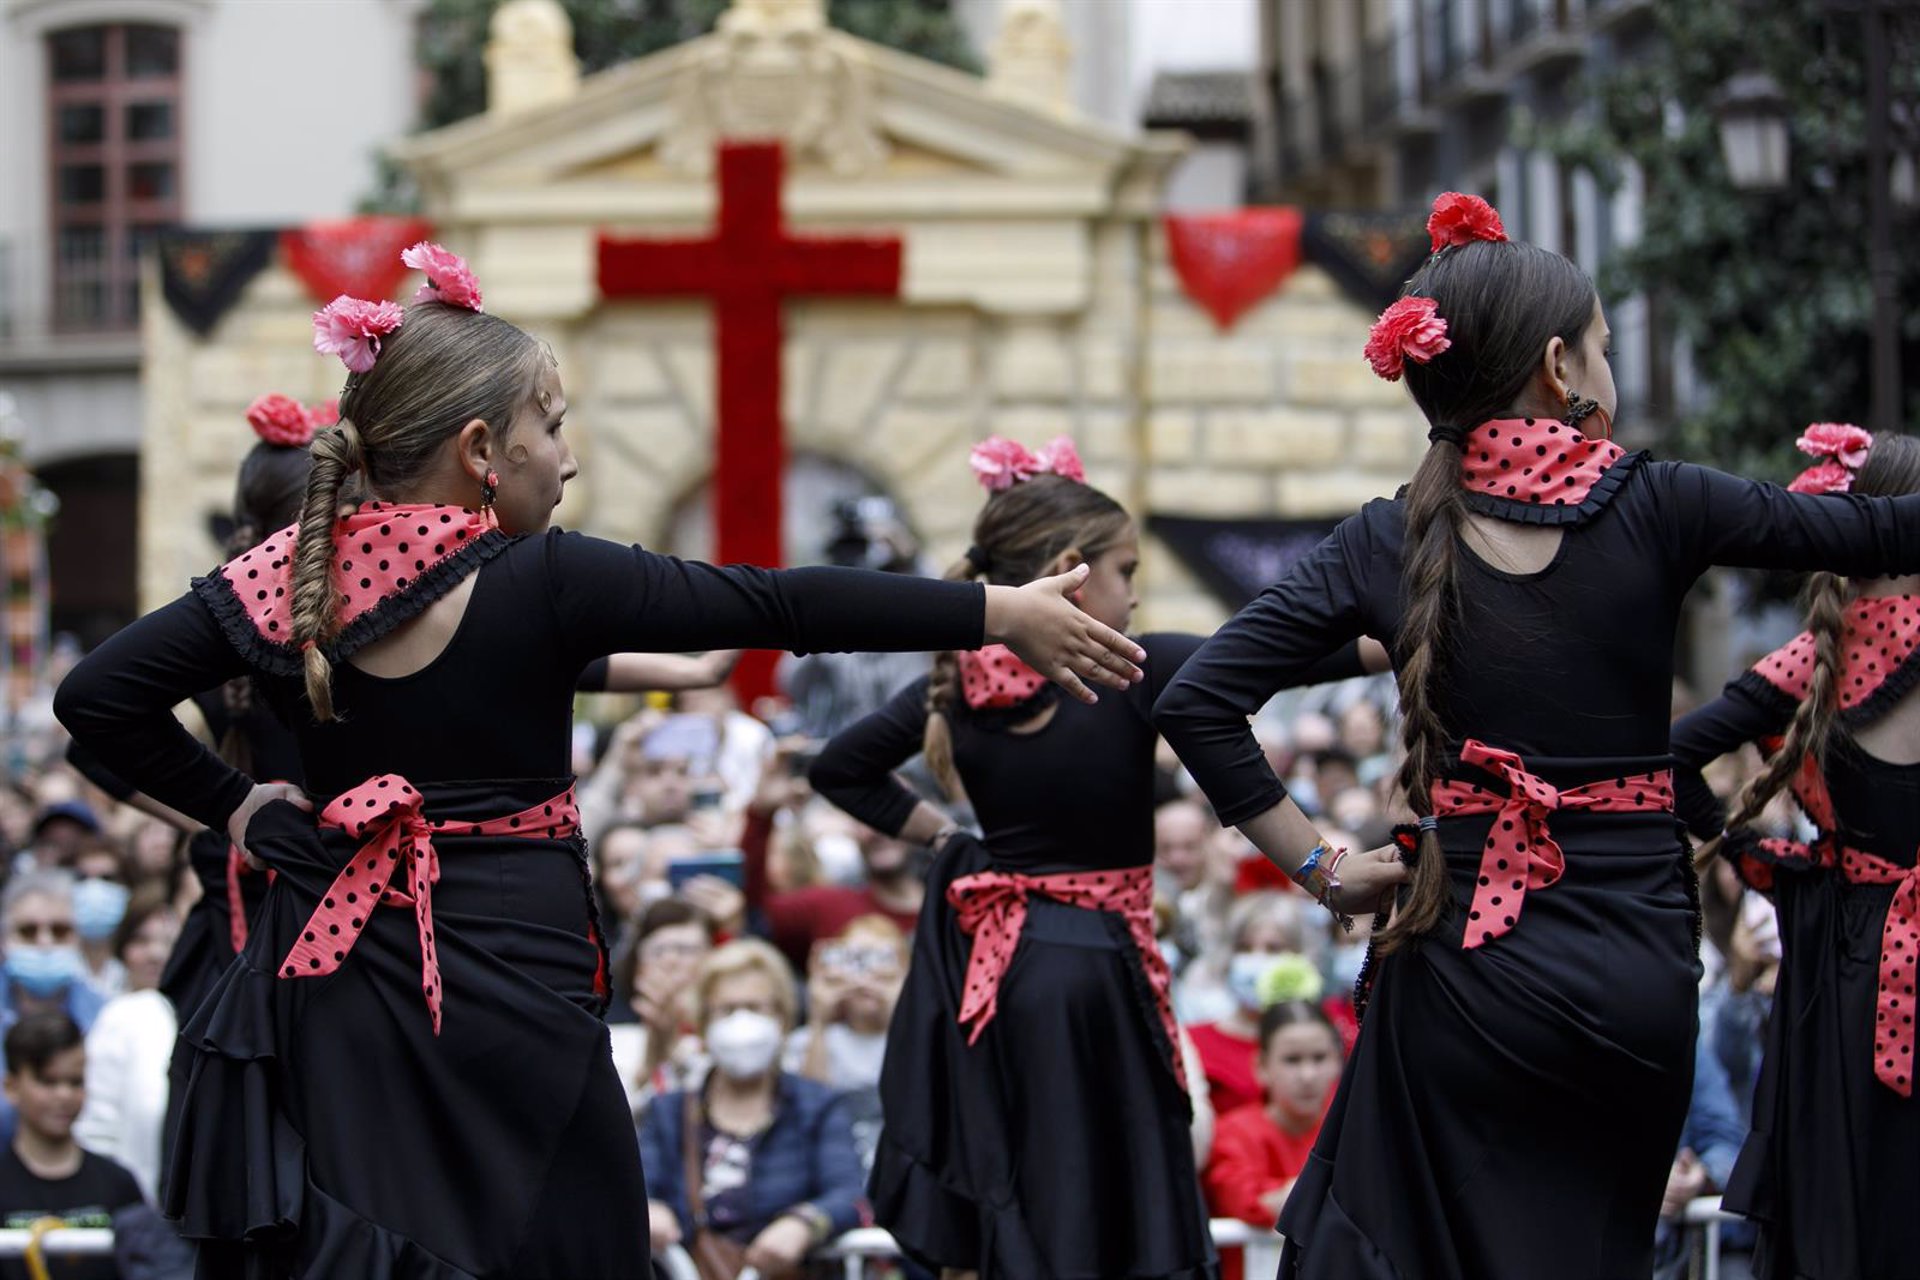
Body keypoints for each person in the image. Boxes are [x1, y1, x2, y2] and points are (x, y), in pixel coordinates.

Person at [52, 244, 1146, 1279]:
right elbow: (782, 599)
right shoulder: (549, 577)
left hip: (346, 972)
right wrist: (995, 608)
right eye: (552, 425)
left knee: (384, 1236)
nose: (566, 455)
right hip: (515, 967)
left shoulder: (291, 577)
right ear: (484, 449)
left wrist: (237, 806)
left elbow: (95, 699)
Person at [1152, 192, 1920, 1280]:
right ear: (1561, 368)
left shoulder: (1385, 536)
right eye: (1604, 345)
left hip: (1466, 953)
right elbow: (1883, 525)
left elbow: (1198, 699)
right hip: (1633, 964)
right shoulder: (1662, 502)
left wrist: (1321, 867)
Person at [810, 435, 1377, 1280]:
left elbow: (839, 765)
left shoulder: (959, 678)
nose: (1136, 594)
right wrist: (1398, 631)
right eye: (1126, 571)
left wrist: (951, 840)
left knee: (1040, 1199)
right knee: (1105, 1207)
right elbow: (1285, 661)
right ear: (1074, 570)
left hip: (1001, 975)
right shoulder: (1126, 670)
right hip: (1090, 971)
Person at [1669, 428, 1920, 1280]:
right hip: (1867, 947)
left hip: (1848, 953)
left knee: (1843, 1192)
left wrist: (1758, 863)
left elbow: (1675, 758)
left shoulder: (1816, 656)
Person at [639, 938, 867, 1277]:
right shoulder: (669, 1112)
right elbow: (636, 1184)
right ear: (703, 1023)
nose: (741, 1022)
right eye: (726, 1010)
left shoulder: (817, 1106)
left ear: (782, 1017)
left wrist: (804, 1223)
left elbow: (850, 1193)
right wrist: (650, 1210)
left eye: (756, 1008)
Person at [1203, 1000, 1345, 1280]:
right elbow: (1240, 1197)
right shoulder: (1234, 1131)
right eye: (1292, 1060)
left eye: (1319, 1058)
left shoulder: (1351, 1128)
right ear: (1261, 1066)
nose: (1308, 1075)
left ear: (1339, 1061)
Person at [0, 1013, 143, 1280]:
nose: (64, 1095)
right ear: (11, 1087)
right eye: (48, 1081)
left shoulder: (119, 1183)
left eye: (75, 1082)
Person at [73, 891, 182, 1204]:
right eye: (141, 941)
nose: (155, 954)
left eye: (168, 941)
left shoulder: (205, 1017)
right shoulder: (118, 1017)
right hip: (135, 1213)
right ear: (122, 950)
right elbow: (96, 1130)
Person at [607, 897, 714, 1117]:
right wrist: (652, 1055)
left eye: (685, 950)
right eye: (658, 951)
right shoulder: (615, 1041)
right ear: (638, 969)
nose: (670, 960)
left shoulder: (728, 1033)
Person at [783, 913, 906, 1093]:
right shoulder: (803, 1042)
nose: (866, 978)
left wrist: (900, 1011)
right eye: (854, 959)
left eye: (881, 960)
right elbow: (810, 1107)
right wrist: (818, 1019)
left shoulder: (922, 1041)